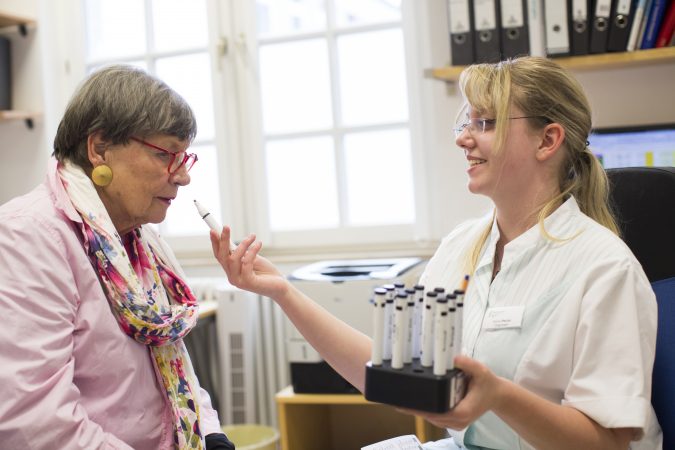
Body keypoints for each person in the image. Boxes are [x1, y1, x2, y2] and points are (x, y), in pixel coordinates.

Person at [210, 56, 661, 449]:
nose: (464, 139)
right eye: (466, 123)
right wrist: (284, 293)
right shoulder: (461, 246)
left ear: (548, 141)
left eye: (485, 123)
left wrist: (499, 395)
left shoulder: (605, 268)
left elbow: (606, 444)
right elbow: (390, 375)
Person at [0, 66, 234, 450]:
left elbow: (173, 369)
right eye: (165, 155)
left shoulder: (141, 241)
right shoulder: (27, 237)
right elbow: (35, 422)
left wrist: (209, 431)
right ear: (100, 149)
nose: (182, 176)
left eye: (184, 157)